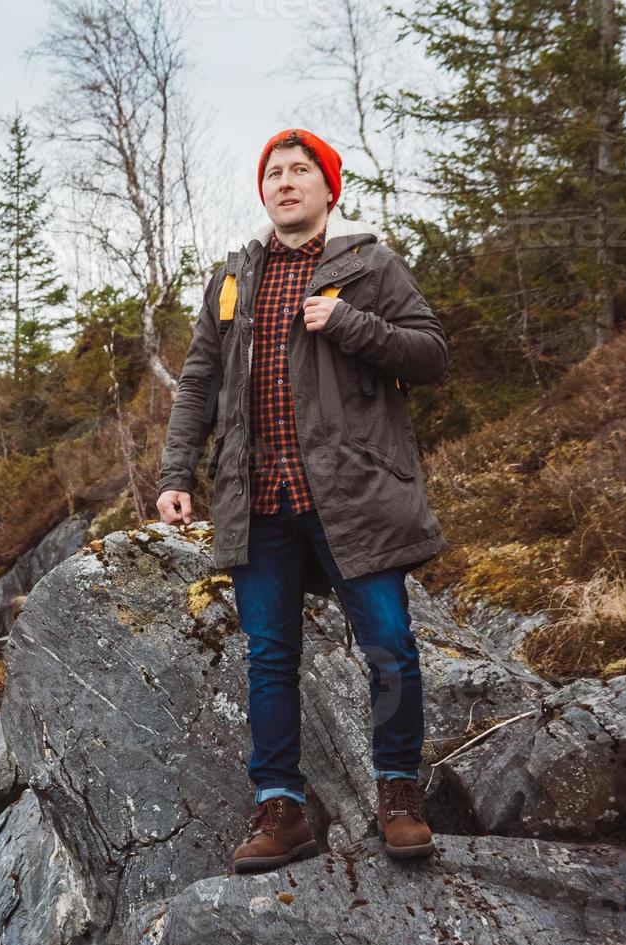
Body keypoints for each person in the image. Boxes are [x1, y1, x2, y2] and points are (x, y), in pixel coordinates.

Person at [154, 128, 449, 874]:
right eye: (274, 173)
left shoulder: (370, 265)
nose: (285, 182)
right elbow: (199, 381)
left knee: (388, 645)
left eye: (300, 171)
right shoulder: (232, 279)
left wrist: (347, 321)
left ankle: (399, 793)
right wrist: (175, 473)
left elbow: (431, 355)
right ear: (264, 193)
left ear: (329, 189)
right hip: (257, 500)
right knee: (269, 658)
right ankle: (282, 809)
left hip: (355, 495)